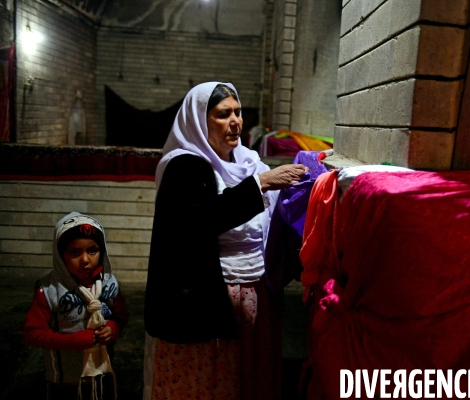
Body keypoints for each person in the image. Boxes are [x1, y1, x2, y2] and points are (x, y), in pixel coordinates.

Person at [144, 81, 308, 400]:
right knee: (207, 383)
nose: (235, 121)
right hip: (207, 299)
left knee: (250, 378)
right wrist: (259, 184)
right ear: (199, 121)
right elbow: (196, 221)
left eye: (238, 112)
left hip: (257, 292)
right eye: (222, 114)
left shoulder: (246, 160)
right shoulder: (184, 166)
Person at [23, 212, 130, 400]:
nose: (85, 260)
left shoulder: (108, 284)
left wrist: (113, 328)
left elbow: (121, 316)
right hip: (65, 380)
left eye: (92, 250)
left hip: (102, 373)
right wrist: (72, 342)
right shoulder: (49, 290)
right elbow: (32, 333)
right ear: (60, 255)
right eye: (74, 252)